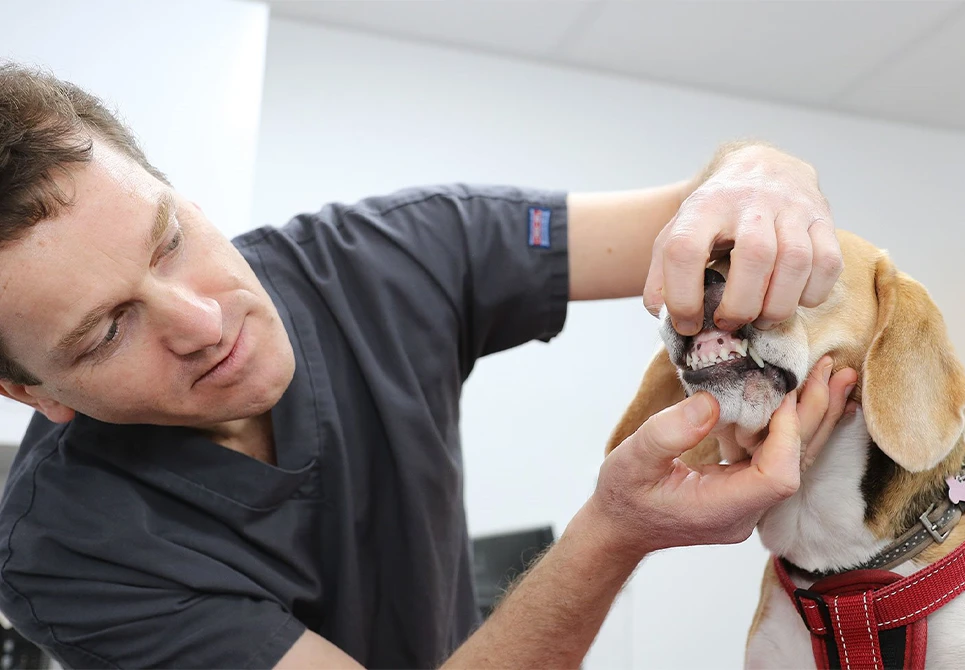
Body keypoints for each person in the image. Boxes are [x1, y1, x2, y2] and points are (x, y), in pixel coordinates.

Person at [0, 61, 856, 669]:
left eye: (170, 241)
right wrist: (616, 533)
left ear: (178, 192)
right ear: (32, 391)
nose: (200, 319)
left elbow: (706, 211)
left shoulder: (387, 259)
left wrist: (766, 174)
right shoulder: (69, 552)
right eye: (108, 330)